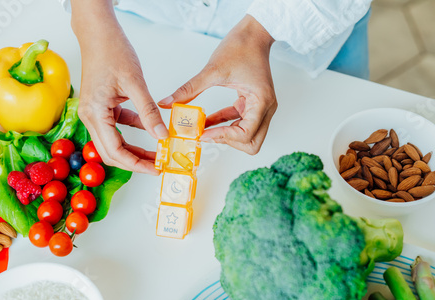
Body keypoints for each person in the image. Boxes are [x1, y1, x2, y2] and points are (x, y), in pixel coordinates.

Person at [62, 0, 372, 174]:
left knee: (349, 143)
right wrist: (92, 20)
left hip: (307, 36)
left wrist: (257, 33)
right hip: (143, 22)